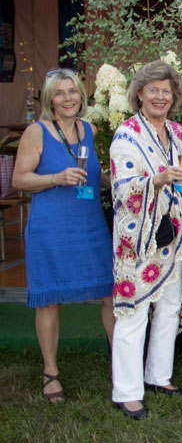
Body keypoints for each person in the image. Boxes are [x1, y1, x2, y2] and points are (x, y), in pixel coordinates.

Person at [12, 68, 114, 403]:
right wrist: (55, 178)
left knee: (110, 291)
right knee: (49, 298)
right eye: (60, 92)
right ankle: (50, 371)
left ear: (81, 96)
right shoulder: (36, 132)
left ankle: (121, 364)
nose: (67, 98)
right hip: (51, 226)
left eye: (72, 91)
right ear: (49, 99)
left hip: (89, 224)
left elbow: (94, 174)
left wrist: (125, 183)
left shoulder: (89, 129)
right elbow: (19, 180)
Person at [108, 61, 182, 419]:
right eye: (154, 90)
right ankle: (126, 390)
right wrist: (157, 181)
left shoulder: (177, 132)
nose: (160, 97)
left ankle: (158, 375)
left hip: (175, 236)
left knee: (170, 306)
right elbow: (123, 189)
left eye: (166, 91)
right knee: (133, 311)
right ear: (140, 94)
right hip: (141, 240)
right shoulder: (127, 135)